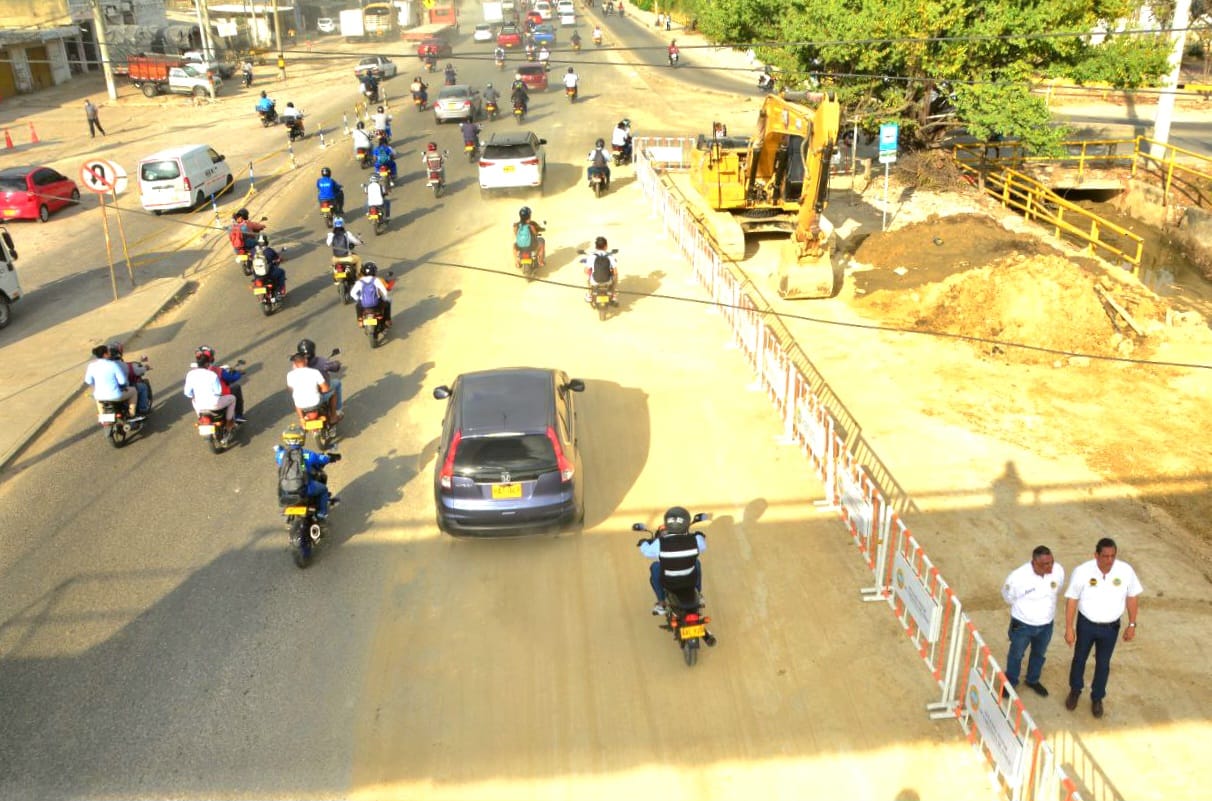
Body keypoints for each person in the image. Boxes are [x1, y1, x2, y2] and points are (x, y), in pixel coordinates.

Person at [1063, 538, 1143, 718]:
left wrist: (1132, 624)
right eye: (1105, 556)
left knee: (1103, 664)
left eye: (1112, 556)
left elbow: (1132, 597)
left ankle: (1097, 697)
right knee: (1079, 659)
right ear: (1096, 555)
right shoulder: (1082, 571)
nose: (1109, 560)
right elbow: (1072, 600)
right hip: (1086, 625)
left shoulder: (1125, 571)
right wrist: (1069, 628)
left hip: (1110, 628)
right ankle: (1075, 690)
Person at [636, 507, 714, 644]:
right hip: (689, 582)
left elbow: (647, 552)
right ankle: (698, 594)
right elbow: (703, 545)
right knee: (696, 562)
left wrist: (643, 543)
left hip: (669, 583)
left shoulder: (660, 543)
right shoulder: (695, 540)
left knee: (655, 567)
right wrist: (699, 535)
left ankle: (661, 602)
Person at [1001, 546, 1065, 698]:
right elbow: (1008, 597)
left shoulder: (1058, 571)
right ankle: (1010, 683)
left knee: (1039, 653)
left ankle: (1033, 679)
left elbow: (1058, 589)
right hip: (1023, 625)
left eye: (1051, 562)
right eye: (1045, 564)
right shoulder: (1017, 578)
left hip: (1046, 625)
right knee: (1016, 655)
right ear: (1034, 563)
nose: (1050, 567)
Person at [274, 425, 340, 521]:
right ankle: (322, 514)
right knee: (323, 490)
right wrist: (330, 458)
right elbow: (321, 459)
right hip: (304, 489)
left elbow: (278, 457)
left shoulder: (281, 454)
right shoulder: (308, 454)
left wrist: (280, 449)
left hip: (285, 491)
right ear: (301, 438)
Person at [192, 345, 246, 423]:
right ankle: (237, 417)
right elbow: (223, 387)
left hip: (200, 404)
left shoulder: (192, 374)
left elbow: (188, 393)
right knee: (236, 388)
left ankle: (200, 418)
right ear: (210, 358)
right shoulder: (216, 371)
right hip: (215, 402)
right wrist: (239, 374)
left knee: (193, 399)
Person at [297, 338, 342, 423]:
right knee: (336, 384)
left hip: (302, 402)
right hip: (318, 397)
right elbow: (325, 388)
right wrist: (336, 364)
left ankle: (302, 419)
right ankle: (335, 414)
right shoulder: (321, 362)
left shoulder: (296, 368)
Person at [84, 344, 136, 417]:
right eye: (108, 352)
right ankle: (131, 414)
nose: (110, 353)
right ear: (105, 354)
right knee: (133, 391)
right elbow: (122, 381)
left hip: (99, 396)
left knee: (99, 400)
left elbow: (88, 381)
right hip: (116, 395)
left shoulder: (91, 366)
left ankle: (103, 417)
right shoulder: (113, 365)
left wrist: (96, 384)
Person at [286, 351, 330, 427]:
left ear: (295, 364)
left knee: (297, 402)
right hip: (316, 402)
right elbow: (325, 389)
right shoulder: (315, 372)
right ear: (306, 361)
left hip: (301, 404)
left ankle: (301, 419)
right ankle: (333, 416)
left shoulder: (290, 375)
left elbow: (290, 389)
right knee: (333, 392)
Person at [108, 342, 151, 415]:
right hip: (119, 392)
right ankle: (141, 409)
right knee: (142, 387)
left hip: (103, 393)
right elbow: (124, 381)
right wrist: (145, 368)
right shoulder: (122, 365)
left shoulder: (99, 366)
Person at [350, 262, 392, 327]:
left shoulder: (360, 281)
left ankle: (360, 320)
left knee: (357, 305)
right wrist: (385, 298)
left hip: (364, 305)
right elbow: (384, 291)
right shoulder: (376, 280)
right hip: (376, 304)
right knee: (388, 303)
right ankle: (387, 320)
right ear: (374, 271)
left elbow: (352, 293)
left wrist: (359, 299)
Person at [582, 235, 618, 304]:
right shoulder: (610, 256)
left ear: (596, 246)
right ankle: (614, 294)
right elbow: (615, 272)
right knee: (616, 274)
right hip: (608, 281)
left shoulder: (591, 256)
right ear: (606, 246)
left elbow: (586, 271)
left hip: (594, 282)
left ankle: (589, 295)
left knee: (587, 275)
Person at [512, 205, 545, 271]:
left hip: (520, 247)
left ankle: (517, 261)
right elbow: (535, 234)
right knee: (542, 242)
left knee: (513, 246)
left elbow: (516, 234)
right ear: (529, 215)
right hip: (531, 246)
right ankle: (540, 261)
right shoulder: (531, 225)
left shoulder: (516, 225)